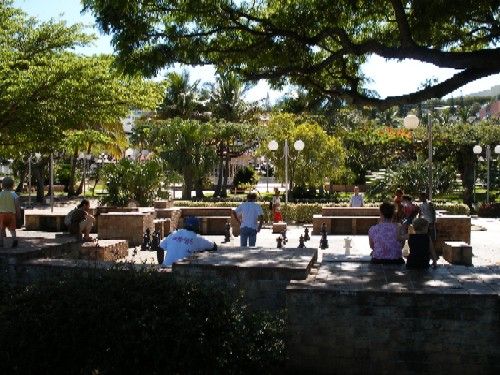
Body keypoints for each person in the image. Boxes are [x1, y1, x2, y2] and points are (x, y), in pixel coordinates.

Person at [0, 177, 21, 248]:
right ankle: (14, 239)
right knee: (12, 229)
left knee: (1, 229)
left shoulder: (0, 194)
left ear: (2, 185)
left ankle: (1, 242)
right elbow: (17, 205)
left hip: (2, 214)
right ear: (12, 186)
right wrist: (18, 214)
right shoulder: (14, 194)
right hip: (11, 215)